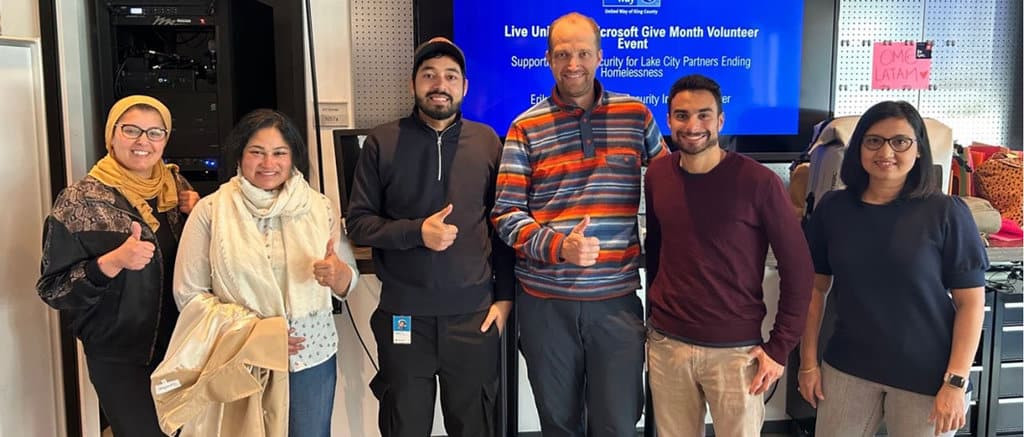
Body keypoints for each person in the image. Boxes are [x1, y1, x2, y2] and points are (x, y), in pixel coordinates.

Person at [491, 12, 667, 436]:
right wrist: (559, 247)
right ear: (549, 60)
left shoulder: (636, 116)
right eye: (563, 53)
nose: (574, 63)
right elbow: (505, 214)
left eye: (583, 53)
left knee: (618, 423)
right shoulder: (525, 127)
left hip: (616, 303)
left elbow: (671, 188)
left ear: (600, 57)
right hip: (545, 304)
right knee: (559, 424)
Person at [346, 37, 514, 437]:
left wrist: (505, 298)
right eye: (429, 75)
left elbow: (505, 224)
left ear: (464, 87)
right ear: (413, 84)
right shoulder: (381, 142)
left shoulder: (488, 142)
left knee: (475, 426)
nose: (440, 84)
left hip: (474, 318)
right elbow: (359, 223)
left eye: (450, 76)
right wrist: (415, 232)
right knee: (404, 426)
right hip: (405, 316)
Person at [798, 101, 987, 436]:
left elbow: (970, 303)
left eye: (900, 141)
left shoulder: (946, 212)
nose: (886, 151)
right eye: (874, 141)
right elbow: (813, 290)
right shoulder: (834, 208)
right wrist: (807, 364)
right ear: (858, 148)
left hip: (928, 376)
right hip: (847, 368)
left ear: (919, 150)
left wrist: (956, 382)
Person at [642, 74, 814, 436]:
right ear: (669, 121)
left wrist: (780, 347)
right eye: (682, 115)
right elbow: (656, 252)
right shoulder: (657, 175)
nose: (693, 126)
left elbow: (798, 268)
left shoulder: (759, 182)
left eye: (704, 115)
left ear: (720, 121)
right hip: (667, 346)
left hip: (736, 354)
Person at [173, 109, 359, 437]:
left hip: (308, 356)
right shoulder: (212, 211)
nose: (268, 163)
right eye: (256, 152)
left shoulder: (320, 208)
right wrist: (257, 335)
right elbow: (188, 294)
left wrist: (338, 273)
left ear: (293, 158)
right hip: (239, 356)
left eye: (279, 153)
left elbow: (346, 283)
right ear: (240, 156)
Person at [37, 95, 199, 436]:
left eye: (155, 132)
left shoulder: (176, 188)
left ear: (165, 139)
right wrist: (110, 263)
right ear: (111, 136)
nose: (143, 141)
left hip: (181, 345)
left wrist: (198, 214)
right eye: (131, 130)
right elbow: (54, 290)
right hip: (120, 353)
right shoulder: (79, 200)